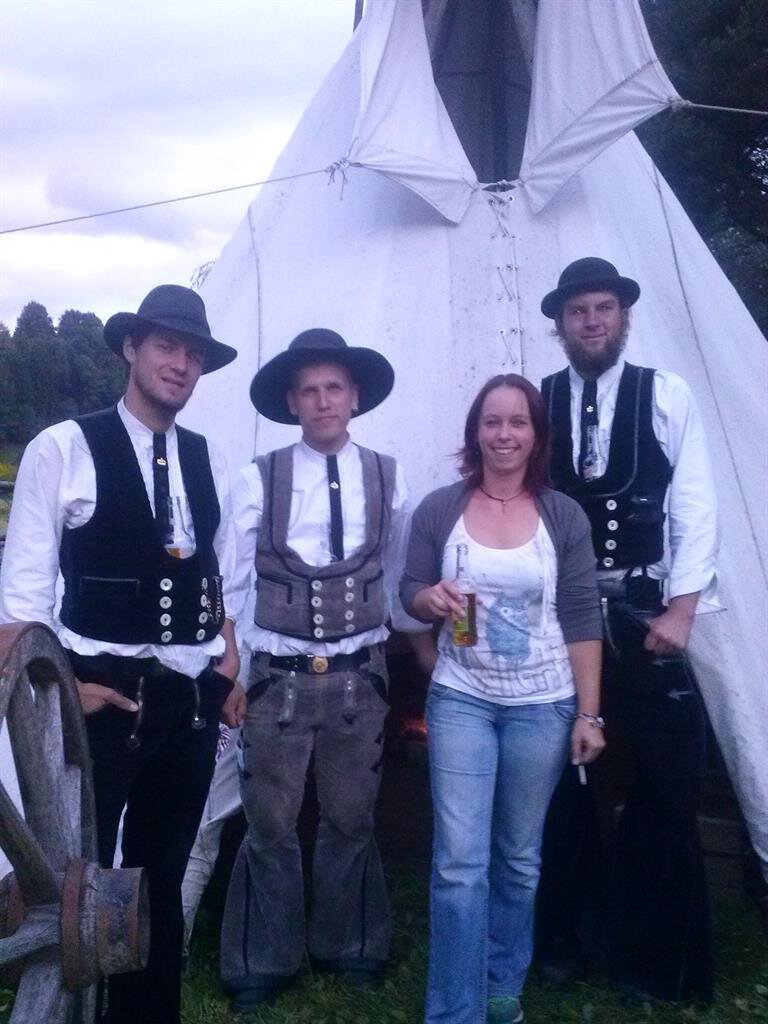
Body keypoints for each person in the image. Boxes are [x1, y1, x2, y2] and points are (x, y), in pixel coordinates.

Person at [0, 284, 246, 1024]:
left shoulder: (212, 458)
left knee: (158, 882)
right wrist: (62, 690)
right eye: (166, 345)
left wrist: (227, 663)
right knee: (77, 882)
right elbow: (22, 600)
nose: (180, 364)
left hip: (188, 700)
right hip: (99, 697)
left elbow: (223, 577)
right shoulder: (63, 448)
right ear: (131, 349)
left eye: (193, 353)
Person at [219, 328, 422, 1011]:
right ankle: (263, 959)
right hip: (277, 677)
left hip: (359, 677)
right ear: (292, 402)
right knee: (270, 824)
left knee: (350, 817)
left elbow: (397, 575)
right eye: (310, 390)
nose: (323, 400)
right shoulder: (258, 477)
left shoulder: (390, 477)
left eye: (335, 387)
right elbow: (229, 582)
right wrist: (234, 672)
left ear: (355, 396)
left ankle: (351, 945)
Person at [536, 257, 719, 1003]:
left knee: (666, 778)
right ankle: (565, 941)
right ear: (560, 324)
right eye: (578, 311)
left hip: (645, 614)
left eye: (603, 308)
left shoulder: (665, 393)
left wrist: (683, 607)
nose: (592, 322)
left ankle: (656, 961)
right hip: (562, 618)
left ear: (623, 317)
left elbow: (696, 503)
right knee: (559, 779)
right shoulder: (539, 401)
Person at [400, 373, 605, 1024]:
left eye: (519, 422)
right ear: (475, 432)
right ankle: (454, 1011)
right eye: (492, 421)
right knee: (460, 863)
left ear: (537, 435)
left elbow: (582, 615)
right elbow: (409, 589)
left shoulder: (562, 516)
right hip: (463, 698)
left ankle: (500, 984)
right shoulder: (441, 508)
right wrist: (428, 599)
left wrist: (589, 713)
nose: (505, 434)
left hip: (543, 704)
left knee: (517, 859)